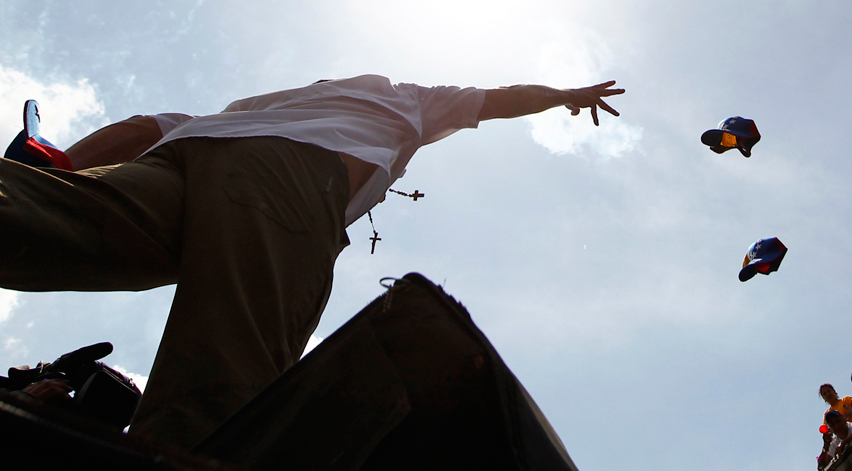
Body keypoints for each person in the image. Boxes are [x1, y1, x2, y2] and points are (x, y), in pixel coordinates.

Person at [0, 75, 625, 447]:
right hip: (290, 177)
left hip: (185, 157)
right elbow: (493, 99)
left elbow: (148, 125)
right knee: (229, 363)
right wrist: (560, 96)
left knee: (52, 220)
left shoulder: (262, 101)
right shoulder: (409, 96)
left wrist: (62, 163)